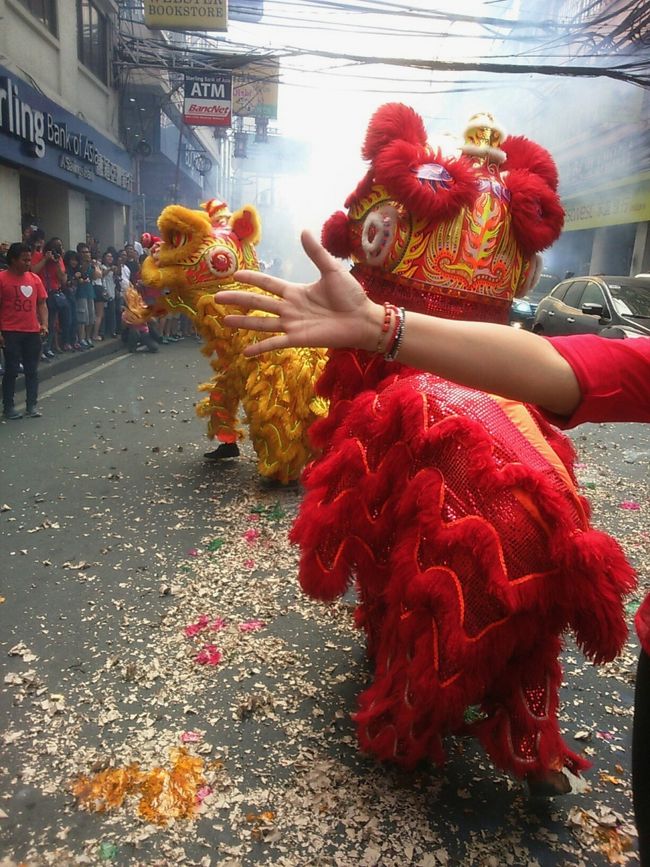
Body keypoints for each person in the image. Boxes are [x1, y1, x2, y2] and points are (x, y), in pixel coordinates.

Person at [218, 229, 649, 863]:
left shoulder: (394, 400)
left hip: (436, 413)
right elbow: (565, 368)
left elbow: (556, 365)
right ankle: (534, 750)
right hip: (552, 514)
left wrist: (376, 327)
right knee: (531, 631)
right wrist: (375, 324)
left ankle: (405, 728)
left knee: (404, 583)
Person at [0, 243, 48, 419]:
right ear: (13, 259)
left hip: (31, 331)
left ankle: (31, 405)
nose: (28, 263)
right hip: (10, 331)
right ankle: (8, 406)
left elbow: (42, 303)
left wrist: (44, 324)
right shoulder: (2, 279)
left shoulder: (35, 279)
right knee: (11, 370)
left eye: (29, 259)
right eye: (24, 259)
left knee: (31, 370)